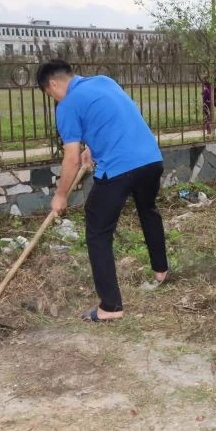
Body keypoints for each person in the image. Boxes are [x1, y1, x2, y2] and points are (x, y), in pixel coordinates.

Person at [37, 59, 169, 321]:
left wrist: (61, 194)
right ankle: (161, 271)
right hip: (151, 160)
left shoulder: (67, 106)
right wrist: (93, 149)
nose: (53, 98)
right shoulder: (104, 81)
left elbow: (71, 158)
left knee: (97, 232)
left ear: (53, 84)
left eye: (49, 93)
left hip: (120, 167)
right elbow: (112, 119)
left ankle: (110, 307)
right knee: (147, 209)